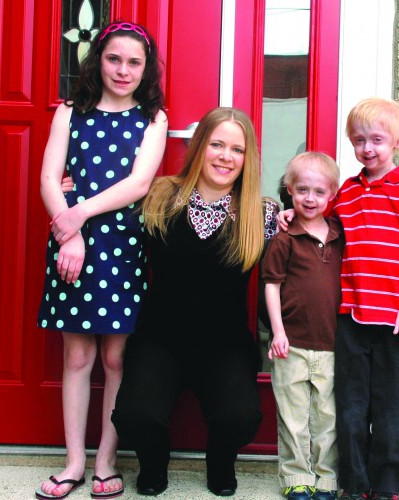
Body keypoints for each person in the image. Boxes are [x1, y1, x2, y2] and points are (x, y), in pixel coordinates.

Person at [111, 107, 279, 497]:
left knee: (241, 416)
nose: (225, 156)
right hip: (159, 339)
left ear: (246, 158)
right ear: (199, 146)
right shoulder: (160, 195)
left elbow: (299, 253)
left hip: (224, 345)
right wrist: (73, 194)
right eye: (217, 144)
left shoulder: (262, 213)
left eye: (236, 150)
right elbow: (112, 226)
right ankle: (155, 463)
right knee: (134, 415)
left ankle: (219, 461)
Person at [278, 98, 399, 500]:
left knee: (391, 412)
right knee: (350, 410)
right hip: (351, 318)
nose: (368, 148)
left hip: (394, 323)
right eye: (359, 140)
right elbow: (315, 215)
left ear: (397, 142)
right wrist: (287, 216)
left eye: (377, 140)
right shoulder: (347, 192)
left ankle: (386, 487)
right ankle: (355, 483)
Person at [35, 21, 168, 500]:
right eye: (114, 59)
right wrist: (68, 233)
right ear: (98, 59)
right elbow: (50, 176)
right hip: (70, 241)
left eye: (134, 62)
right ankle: (73, 462)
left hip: (119, 243)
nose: (123, 70)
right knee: (78, 355)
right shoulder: (71, 112)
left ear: (146, 68)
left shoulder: (154, 118)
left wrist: (80, 215)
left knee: (114, 356)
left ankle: (106, 461)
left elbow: (137, 184)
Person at [262, 152, 343, 500]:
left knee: (328, 418)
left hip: (332, 344)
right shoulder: (284, 239)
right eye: (302, 191)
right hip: (291, 343)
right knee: (293, 417)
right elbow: (271, 285)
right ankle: (297, 477)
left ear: (332, 194)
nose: (310, 199)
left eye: (319, 192)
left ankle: (325, 478)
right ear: (290, 191)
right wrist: (277, 332)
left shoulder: (341, 234)